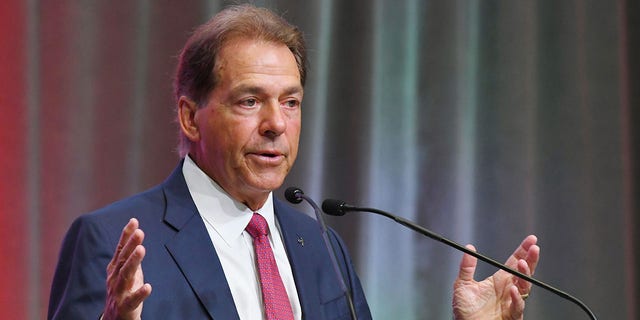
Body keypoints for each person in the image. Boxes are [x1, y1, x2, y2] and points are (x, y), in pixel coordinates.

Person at [47, 4, 540, 320]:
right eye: (248, 101)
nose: (275, 124)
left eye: (290, 102)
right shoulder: (114, 241)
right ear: (190, 118)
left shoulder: (319, 248)